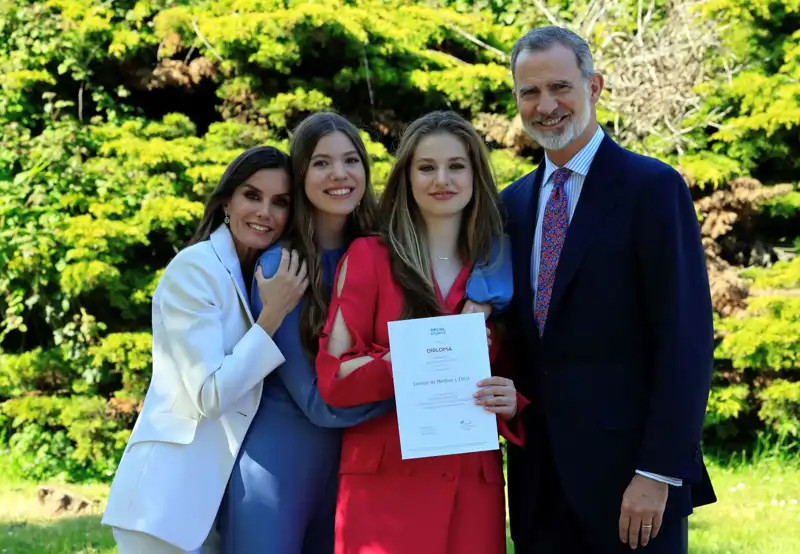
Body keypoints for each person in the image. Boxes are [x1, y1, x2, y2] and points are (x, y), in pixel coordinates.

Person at [217, 112, 514, 554]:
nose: (339, 174)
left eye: (350, 160)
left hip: (445, 476)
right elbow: (323, 395)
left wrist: (506, 397)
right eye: (321, 163)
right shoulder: (305, 264)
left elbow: (516, 370)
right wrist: (427, 370)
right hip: (297, 461)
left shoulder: (486, 266)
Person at [499, 26, 717, 554]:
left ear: (593, 87)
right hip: (539, 487)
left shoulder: (652, 189)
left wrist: (658, 471)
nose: (545, 105)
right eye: (530, 92)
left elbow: (685, 343)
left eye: (560, 87)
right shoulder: (511, 204)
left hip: (632, 486)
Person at [315, 111, 527, 554]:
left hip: (472, 487)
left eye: (456, 166)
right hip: (384, 489)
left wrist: (511, 401)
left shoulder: (500, 268)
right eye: (426, 167)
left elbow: (518, 373)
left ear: (475, 175)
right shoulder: (369, 257)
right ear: (406, 177)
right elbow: (333, 379)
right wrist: (418, 358)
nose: (441, 179)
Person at [101, 146, 309, 554]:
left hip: (218, 508)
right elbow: (208, 395)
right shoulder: (195, 269)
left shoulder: (258, 272)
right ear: (227, 202)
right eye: (252, 195)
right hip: (164, 506)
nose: (265, 211)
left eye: (280, 202)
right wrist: (273, 316)